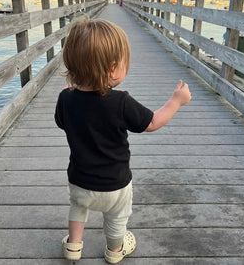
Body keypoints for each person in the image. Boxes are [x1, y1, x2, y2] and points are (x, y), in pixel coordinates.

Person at [54, 17, 191, 264]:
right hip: (114, 185)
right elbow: (152, 123)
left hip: (79, 180)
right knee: (117, 218)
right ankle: (114, 251)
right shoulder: (121, 102)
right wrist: (176, 101)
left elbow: (62, 122)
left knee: (78, 208)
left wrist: (73, 90)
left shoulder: (65, 98)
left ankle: (73, 246)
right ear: (113, 68)